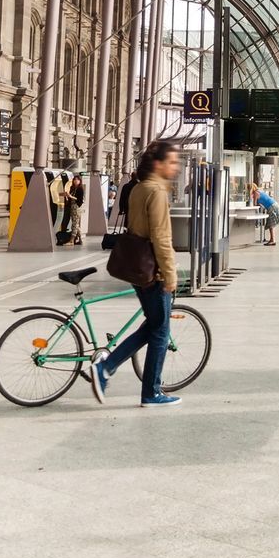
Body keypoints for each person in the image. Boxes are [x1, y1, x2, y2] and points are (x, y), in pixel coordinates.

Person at [89, 140, 183, 407]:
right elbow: (161, 237)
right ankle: (149, 391)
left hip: (137, 267)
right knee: (160, 333)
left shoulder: (139, 189)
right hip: (153, 271)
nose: (175, 167)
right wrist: (170, 273)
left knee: (153, 327)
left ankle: (108, 368)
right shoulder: (157, 192)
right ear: (158, 164)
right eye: (172, 162)